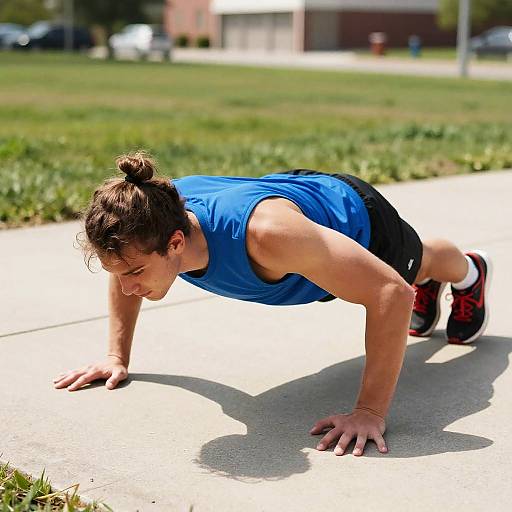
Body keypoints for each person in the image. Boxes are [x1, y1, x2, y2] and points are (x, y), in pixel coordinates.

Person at [54, 152, 492, 457]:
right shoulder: (153, 219)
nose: (128, 286)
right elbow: (123, 269)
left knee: (413, 272)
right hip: (299, 208)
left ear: (175, 243)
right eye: (120, 274)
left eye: (134, 274)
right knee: (401, 282)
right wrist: (116, 355)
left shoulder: (265, 237)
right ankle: (428, 284)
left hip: (356, 220)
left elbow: (389, 294)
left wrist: (369, 412)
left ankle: (470, 272)